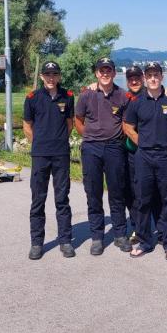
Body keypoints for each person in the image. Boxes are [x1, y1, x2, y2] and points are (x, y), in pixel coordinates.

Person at [123, 61, 167, 259]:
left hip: (165, 156)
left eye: (156, 74)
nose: (153, 78)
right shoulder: (137, 102)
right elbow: (127, 126)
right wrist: (142, 142)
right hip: (144, 156)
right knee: (142, 200)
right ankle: (144, 240)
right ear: (145, 79)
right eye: (149, 75)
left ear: (161, 77)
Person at [74, 57, 131, 255]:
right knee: (93, 193)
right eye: (101, 71)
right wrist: (89, 137)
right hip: (91, 149)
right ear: (96, 73)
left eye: (109, 71)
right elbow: (78, 120)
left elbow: (127, 123)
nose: (105, 74)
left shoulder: (123, 96)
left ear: (114, 73)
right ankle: (97, 237)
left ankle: (120, 234)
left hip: (115, 148)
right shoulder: (86, 95)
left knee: (117, 192)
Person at [23, 61, 75, 260]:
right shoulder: (32, 98)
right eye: (47, 74)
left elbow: (69, 124)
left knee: (62, 199)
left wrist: (58, 140)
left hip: (61, 154)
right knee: (38, 200)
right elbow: (27, 125)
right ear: (42, 77)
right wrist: (39, 144)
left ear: (59, 76)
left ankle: (65, 241)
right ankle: (37, 243)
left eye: (54, 74)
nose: (51, 78)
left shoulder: (68, 97)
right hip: (40, 155)